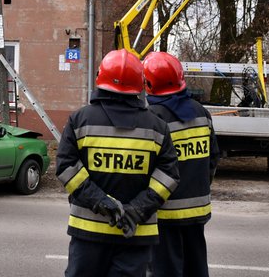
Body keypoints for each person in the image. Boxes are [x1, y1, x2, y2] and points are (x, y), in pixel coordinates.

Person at [56, 49, 180, 277]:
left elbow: (66, 168)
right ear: (140, 84)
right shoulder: (157, 127)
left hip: (88, 233)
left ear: (100, 79)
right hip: (136, 234)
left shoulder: (79, 120)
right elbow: (169, 176)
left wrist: (102, 202)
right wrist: (137, 210)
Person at [144, 51, 220, 277]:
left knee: (165, 271)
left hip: (164, 215)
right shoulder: (201, 113)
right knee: (196, 269)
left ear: (149, 84)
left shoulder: (152, 118)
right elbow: (213, 159)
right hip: (197, 211)